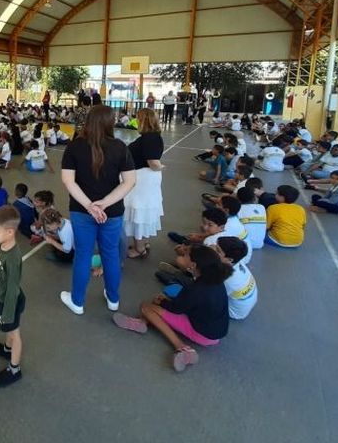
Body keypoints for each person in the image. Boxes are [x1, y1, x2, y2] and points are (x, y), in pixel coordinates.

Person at [60, 105, 136, 315]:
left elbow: (68, 181)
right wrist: (105, 203)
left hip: (81, 211)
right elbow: (130, 182)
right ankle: (113, 299)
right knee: (110, 254)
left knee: (83, 255)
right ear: (110, 123)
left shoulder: (74, 146)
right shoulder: (120, 147)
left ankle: (77, 302)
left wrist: (90, 205)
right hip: (112, 212)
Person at [112, 244, 231, 372]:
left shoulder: (196, 289)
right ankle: (144, 321)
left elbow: (176, 309)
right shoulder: (215, 280)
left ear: (193, 265)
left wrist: (162, 302)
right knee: (163, 298)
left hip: (203, 335)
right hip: (216, 330)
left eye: (185, 255)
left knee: (146, 306)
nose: (182, 256)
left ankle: (181, 347)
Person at [0, 205, 25, 387]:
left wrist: (8, 313)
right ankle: (7, 349)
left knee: (14, 333)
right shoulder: (3, 244)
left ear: (10, 232)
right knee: (9, 331)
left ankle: (14, 369)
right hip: (4, 299)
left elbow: (12, 288)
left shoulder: (12, 258)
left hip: (10, 302)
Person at [123, 108, 164, 259]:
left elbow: (153, 162)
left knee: (138, 211)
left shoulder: (149, 138)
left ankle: (139, 248)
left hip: (142, 179)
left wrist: (160, 167)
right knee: (144, 211)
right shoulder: (152, 137)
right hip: (145, 177)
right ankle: (143, 242)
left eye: (138, 118)